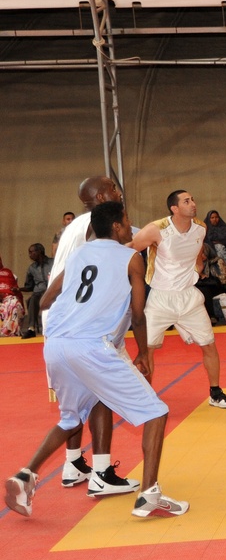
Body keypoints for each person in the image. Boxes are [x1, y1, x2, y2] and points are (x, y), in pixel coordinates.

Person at [4, 201, 188, 520]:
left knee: (70, 418)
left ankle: (25, 476)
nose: (130, 225)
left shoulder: (79, 253)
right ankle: (149, 495)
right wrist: (143, 353)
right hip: (92, 347)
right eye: (126, 220)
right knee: (156, 413)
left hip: (57, 344)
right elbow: (138, 314)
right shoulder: (131, 258)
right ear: (116, 227)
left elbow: (46, 299)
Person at [46, 175, 133, 494]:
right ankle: (102, 473)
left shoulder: (74, 226)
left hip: (59, 323)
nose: (118, 191)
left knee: (76, 399)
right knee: (100, 397)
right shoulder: (96, 227)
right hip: (78, 324)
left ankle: (72, 463)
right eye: (112, 188)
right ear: (99, 198)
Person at [130, 190, 226, 409]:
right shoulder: (156, 229)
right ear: (174, 209)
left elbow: (198, 252)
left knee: (209, 345)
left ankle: (215, 393)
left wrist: (197, 268)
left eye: (193, 199)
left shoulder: (201, 227)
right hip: (160, 298)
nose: (193, 204)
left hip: (189, 297)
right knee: (147, 349)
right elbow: (128, 250)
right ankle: (148, 398)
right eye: (186, 201)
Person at [19, 243, 53, 339]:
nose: (29, 255)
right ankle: (31, 329)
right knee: (32, 299)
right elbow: (29, 286)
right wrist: (19, 289)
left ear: (39, 251)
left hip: (52, 291)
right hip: (39, 293)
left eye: (31, 252)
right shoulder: (31, 268)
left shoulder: (53, 262)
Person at [195, 243, 226, 324]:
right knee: (201, 289)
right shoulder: (197, 264)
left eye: (202, 253)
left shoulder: (218, 261)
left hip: (218, 286)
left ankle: (211, 316)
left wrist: (209, 277)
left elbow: (225, 280)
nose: (200, 255)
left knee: (205, 290)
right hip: (203, 285)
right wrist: (200, 275)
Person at [0, 253, 25, 337]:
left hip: (8, 297)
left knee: (13, 303)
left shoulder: (7, 272)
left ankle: (10, 332)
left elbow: (14, 287)